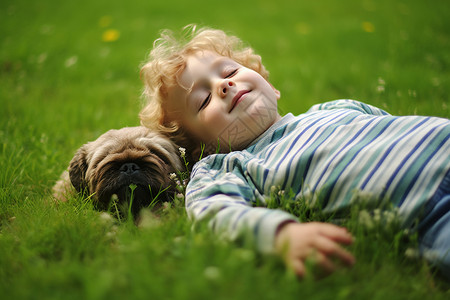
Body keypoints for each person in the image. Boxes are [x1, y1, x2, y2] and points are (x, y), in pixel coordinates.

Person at [140, 25, 450, 278]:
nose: (224, 85)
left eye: (230, 71)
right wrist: (280, 236)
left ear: (269, 86)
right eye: (203, 100)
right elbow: (215, 215)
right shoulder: (228, 166)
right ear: (200, 148)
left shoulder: (335, 108)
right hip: (427, 206)